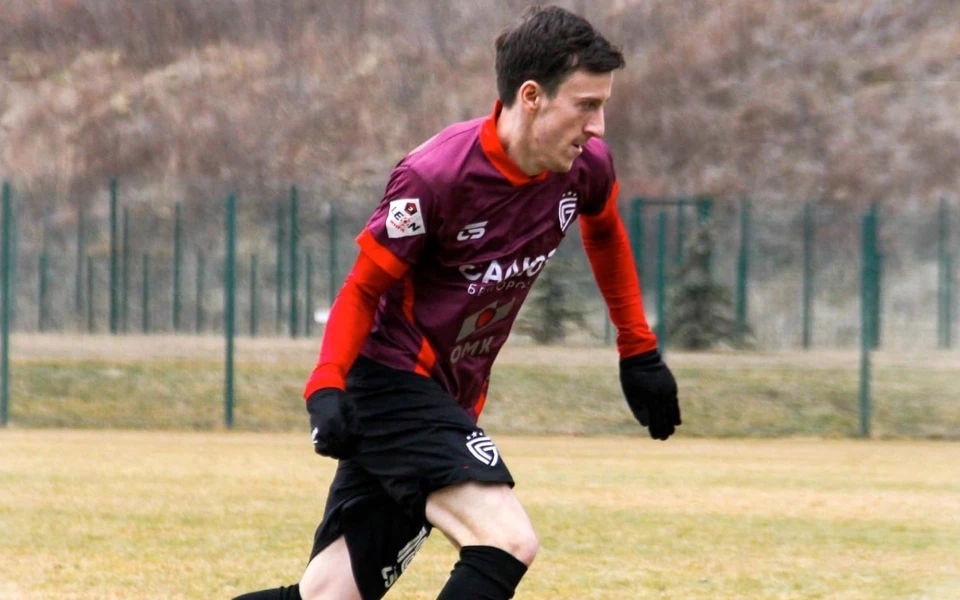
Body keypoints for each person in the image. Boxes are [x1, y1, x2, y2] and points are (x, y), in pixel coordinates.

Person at [234, 5, 680, 600]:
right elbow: (364, 287)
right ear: (532, 97)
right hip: (391, 381)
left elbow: (604, 234)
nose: (597, 127)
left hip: (451, 395)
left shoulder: (584, 168)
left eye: (603, 106)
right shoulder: (436, 177)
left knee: (329, 595)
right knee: (505, 539)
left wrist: (638, 350)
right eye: (586, 105)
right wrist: (325, 385)